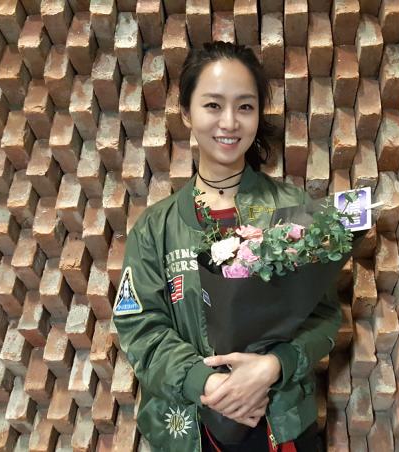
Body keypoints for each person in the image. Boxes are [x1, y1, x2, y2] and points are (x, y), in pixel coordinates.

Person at [113, 41, 342, 452]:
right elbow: (140, 328)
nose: (230, 122)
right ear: (187, 112)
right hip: (193, 428)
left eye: (245, 106)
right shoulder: (155, 228)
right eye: (213, 105)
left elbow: (324, 315)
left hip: (281, 422)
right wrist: (208, 384)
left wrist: (275, 365)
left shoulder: (293, 209)